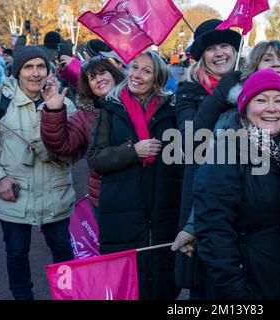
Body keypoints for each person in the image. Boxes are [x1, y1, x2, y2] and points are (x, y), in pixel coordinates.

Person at [193, 69, 280, 299]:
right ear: (245, 108)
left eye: (279, 100)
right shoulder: (227, 152)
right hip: (249, 285)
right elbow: (214, 232)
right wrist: (237, 292)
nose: (272, 108)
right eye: (261, 100)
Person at [87, 50, 183, 300]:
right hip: (121, 211)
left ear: (157, 80)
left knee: (164, 283)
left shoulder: (171, 110)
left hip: (162, 210)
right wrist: (133, 151)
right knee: (127, 287)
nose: (136, 75)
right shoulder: (111, 108)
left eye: (146, 71)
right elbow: (96, 159)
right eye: (134, 67)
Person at [0, 46, 76, 300]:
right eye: (28, 67)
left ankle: (67, 295)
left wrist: (54, 114)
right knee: (16, 253)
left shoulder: (65, 104)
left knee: (62, 250)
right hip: (14, 197)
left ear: (48, 70)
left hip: (55, 194)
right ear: (18, 72)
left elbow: (71, 152)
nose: (36, 73)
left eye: (41, 66)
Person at [171, 18, 242, 298]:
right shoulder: (188, 92)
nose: (220, 53)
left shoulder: (252, 86)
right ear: (201, 57)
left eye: (225, 45)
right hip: (203, 197)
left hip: (245, 194)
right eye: (211, 48)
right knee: (205, 283)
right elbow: (192, 140)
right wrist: (226, 89)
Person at [41, 56, 125, 215]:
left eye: (102, 73)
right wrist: (53, 112)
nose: (99, 79)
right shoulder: (85, 114)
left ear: (114, 74)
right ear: (89, 86)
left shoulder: (137, 100)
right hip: (105, 196)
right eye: (92, 78)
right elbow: (61, 145)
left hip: (141, 193)